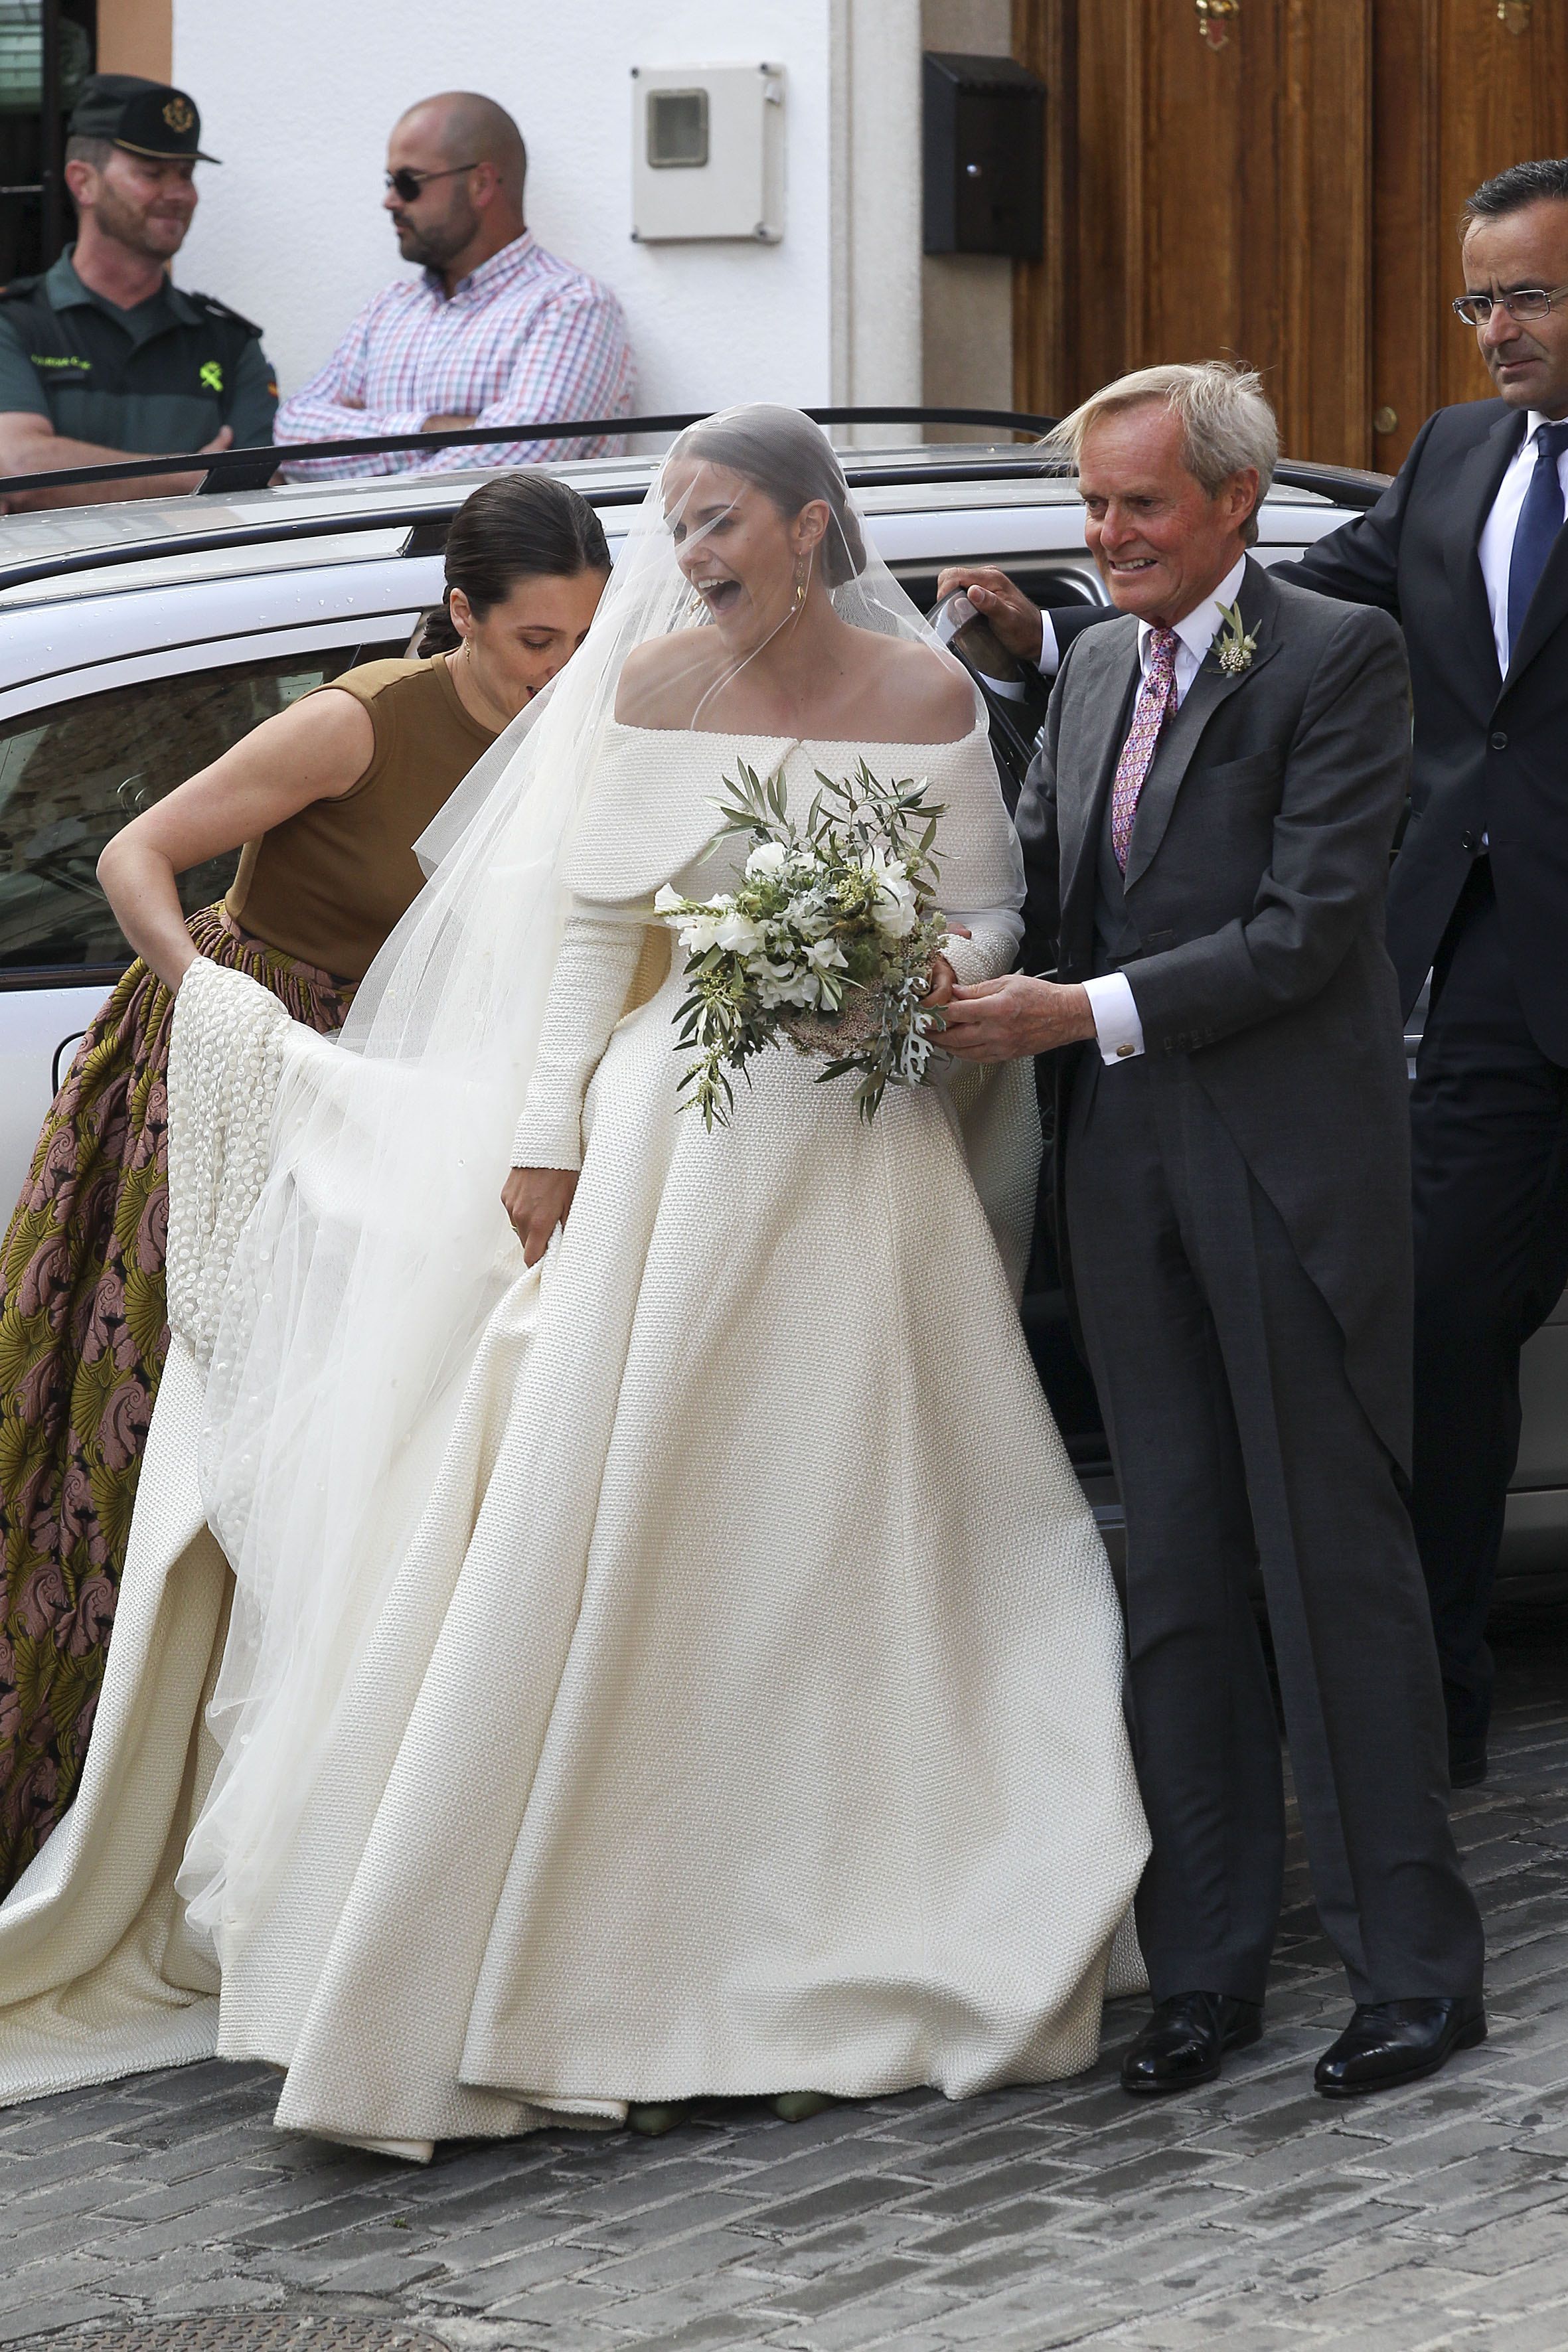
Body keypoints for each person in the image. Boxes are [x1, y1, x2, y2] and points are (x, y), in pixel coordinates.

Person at [0, 406, 1148, 2143]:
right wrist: (545, 1138)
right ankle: (583, 1920)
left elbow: (988, 913)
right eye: (678, 528)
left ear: (813, 533)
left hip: (861, 1149)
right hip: (670, 1149)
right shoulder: (644, 689)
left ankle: (894, 1881)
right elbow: (593, 934)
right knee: (636, 1499)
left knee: (867, 1505)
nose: (694, 559)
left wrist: (898, 965)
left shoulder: (930, 704)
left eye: (723, 528)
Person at [941, 160, 1568, 1796]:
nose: (1494, 330)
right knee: (1438, 1331)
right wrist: (1066, 636)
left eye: (1528, 297)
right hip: (1477, 985)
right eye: (1476, 299)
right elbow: (1271, 618)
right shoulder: (1453, 454)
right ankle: (1420, 1707)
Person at [942, 362, 1486, 2102]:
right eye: (1095, 507)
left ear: (1238, 502)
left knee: (1334, 1572)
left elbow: (1306, 924)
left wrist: (1071, 1012)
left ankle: (1413, 1969)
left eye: (1141, 507)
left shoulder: (1340, 660)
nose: (1109, 537)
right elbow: (1060, 867)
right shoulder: (1095, 654)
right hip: (1125, 1172)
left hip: (1286, 1163)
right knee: (1171, 1568)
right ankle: (1207, 1970)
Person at [0, 472, 610, 1894]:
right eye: (535, 644)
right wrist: (211, 1005)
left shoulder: (582, 727)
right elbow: (134, 852)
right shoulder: (360, 718)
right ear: (461, 615)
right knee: (166, 1420)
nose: (562, 672)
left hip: (405, 1116)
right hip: (238, 1077)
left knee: (346, 1456)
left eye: (586, 639)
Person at [275, 92, 634, 479]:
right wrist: (428, 430)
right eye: (389, 181)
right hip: (374, 542)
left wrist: (367, 454)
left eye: (409, 182)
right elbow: (291, 434)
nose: (390, 200)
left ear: (480, 184)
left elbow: (514, 464)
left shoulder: (572, 305)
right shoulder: (388, 309)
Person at [0, 75, 277, 509]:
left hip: (196, 578)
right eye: (152, 173)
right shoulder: (15, 324)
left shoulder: (229, 344)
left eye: (186, 175)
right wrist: (193, 474)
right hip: (50, 578)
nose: (179, 194)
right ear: (83, 182)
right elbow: (18, 469)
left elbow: (261, 488)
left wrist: (70, 473)